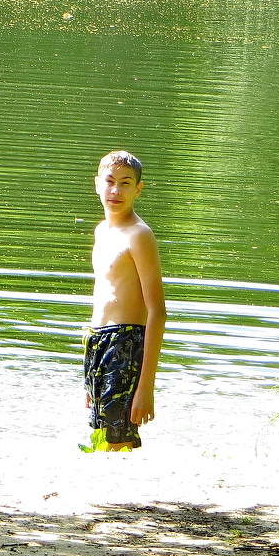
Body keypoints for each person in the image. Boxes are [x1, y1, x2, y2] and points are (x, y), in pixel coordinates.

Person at [84, 150, 165, 450]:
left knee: (117, 439)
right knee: (100, 434)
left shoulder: (139, 235)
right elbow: (103, 294)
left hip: (126, 343)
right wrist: (91, 361)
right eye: (109, 181)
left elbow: (157, 311)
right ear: (97, 184)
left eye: (125, 183)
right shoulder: (102, 230)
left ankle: (121, 497)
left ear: (138, 189)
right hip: (98, 340)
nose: (115, 190)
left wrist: (146, 388)